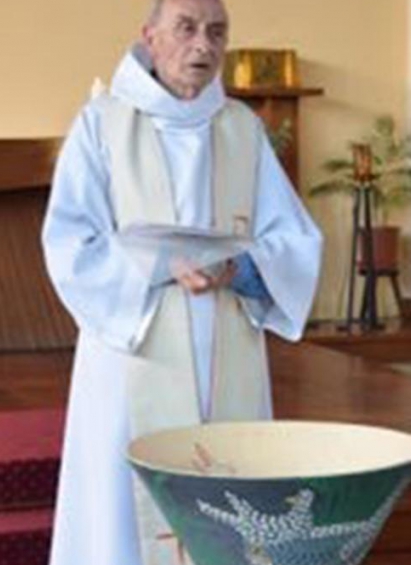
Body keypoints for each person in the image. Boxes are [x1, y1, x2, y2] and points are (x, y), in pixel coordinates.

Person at [41, 0, 322, 563]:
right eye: (186, 28)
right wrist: (158, 265)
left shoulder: (241, 129)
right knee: (124, 512)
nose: (203, 45)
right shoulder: (102, 123)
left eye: (217, 32)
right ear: (150, 37)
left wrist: (240, 268)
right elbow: (70, 243)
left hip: (226, 343)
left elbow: (293, 238)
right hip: (135, 350)